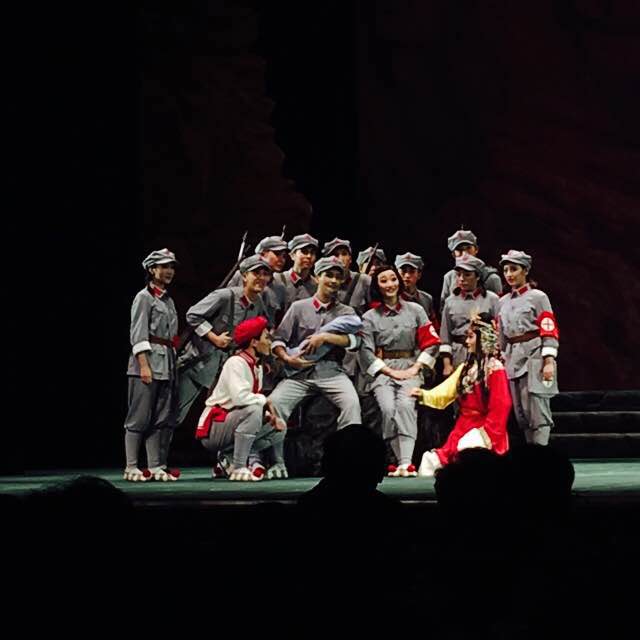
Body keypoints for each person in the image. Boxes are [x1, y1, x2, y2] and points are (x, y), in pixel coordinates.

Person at [269, 256, 363, 477]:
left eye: (338, 277)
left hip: (331, 372)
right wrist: (287, 358)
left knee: (352, 404)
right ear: (318, 277)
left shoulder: (346, 312)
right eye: (329, 275)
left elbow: (355, 342)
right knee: (274, 403)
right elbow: (278, 340)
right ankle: (277, 462)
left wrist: (326, 337)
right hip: (299, 373)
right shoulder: (298, 307)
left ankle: (347, 463)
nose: (333, 281)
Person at [359, 264, 440, 477]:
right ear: (377, 285)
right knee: (387, 409)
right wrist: (389, 371)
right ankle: (396, 458)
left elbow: (432, 342)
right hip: (383, 371)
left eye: (393, 279)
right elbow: (365, 351)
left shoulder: (416, 310)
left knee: (405, 406)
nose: (390, 284)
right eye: (384, 280)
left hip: (410, 367)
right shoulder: (369, 317)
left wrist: (417, 367)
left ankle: (406, 462)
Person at [176, 254, 272, 425]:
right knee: (175, 413)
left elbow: (262, 329)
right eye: (256, 273)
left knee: (215, 416)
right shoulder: (225, 296)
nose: (261, 278)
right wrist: (213, 337)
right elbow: (193, 314)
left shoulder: (259, 304)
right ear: (244, 276)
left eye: (265, 274)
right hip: (199, 363)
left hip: (225, 368)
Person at [412, 313, 512, 476]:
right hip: (462, 427)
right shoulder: (466, 368)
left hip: (485, 429)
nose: (467, 342)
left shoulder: (494, 369)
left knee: (467, 453)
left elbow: (502, 405)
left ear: (483, 339)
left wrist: (488, 435)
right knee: (429, 461)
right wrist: (423, 395)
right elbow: (446, 392)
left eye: (471, 337)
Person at [195, 316, 286, 481]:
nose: (269, 343)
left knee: (279, 427)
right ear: (254, 342)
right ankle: (239, 467)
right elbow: (240, 398)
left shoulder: (257, 367)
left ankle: (228, 456)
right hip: (215, 427)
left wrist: (270, 416)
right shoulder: (236, 362)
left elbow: (251, 400)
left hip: (234, 419)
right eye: (266, 338)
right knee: (254, 410)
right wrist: (265, 401)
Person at [123, 248, 180, 482]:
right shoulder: (143, 297)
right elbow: (138, 333)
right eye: (164, 266)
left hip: (166, 363)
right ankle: (131, 466)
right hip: (146, 364)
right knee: (139, 417)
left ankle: (155, 465)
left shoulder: (168, 299)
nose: (169, 271)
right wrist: (144, 366)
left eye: (171, 267)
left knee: (160, 417)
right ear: (152, 269)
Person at [498, 249, 559, 445]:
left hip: (534, 357)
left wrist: (548, 361)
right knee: (522, 414)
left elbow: (548, 327)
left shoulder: (538, 297)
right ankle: (532, 455)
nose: (509, 274)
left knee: (537, 412)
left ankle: (540, 453)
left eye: (513, 269)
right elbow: (502, 335)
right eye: (506, 270)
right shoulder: (502, 302)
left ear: (525, 270)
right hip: (512, 359)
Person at [439, 253, 500, 377]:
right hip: (458, 355)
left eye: (467, 275)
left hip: (485, 355)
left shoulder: (492, 299)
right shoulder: (450, 301)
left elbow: (498, 331)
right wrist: (447, 364)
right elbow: (445, 335)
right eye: (458, 275)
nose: (461, 279)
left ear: (477, 276)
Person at [227, 234, 289, 325]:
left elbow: (278, 321)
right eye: (277, 254)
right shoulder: (242, 276)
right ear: (263, 253)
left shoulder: (280, 287)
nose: (281, 259)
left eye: (284, 256)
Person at [439, 228, 501, 312]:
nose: (465, 253)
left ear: (476, 249)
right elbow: (444, 309)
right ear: (453, 254)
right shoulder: (449, 277)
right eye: (459, 250)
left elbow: (498, 310)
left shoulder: (491, 278)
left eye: (468, 248)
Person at [322, 237, 371, 314]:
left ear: (350, 259)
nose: (340, 258)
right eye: (335, 255)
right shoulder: (320, 282)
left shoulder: (364, 280)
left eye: (344, 254)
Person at [273, 233, 319, 314]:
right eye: (304, 252)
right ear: (292, 255)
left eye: (312, 253)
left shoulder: (316, 286)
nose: (309, 256)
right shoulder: (278, 279)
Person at [395, 252, 438, 328]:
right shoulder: (391, 299)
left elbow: (434, 327)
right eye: (403, 271)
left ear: (419, 275)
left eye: (412, 271)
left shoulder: (427, 299)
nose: (407, 275)